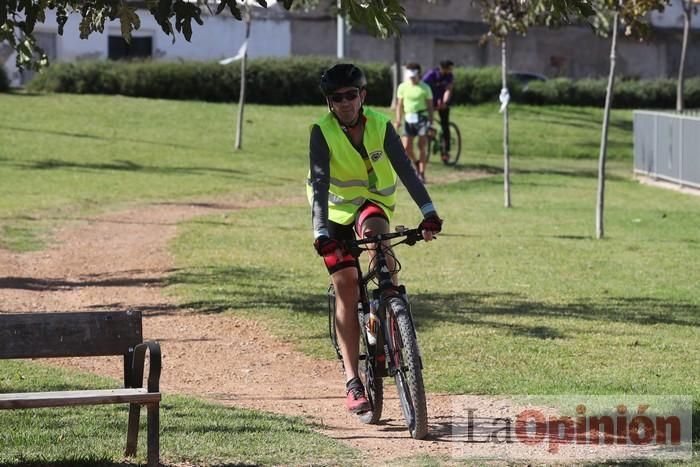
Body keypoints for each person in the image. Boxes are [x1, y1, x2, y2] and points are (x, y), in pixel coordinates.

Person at [307, 64, 443, 414]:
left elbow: (407, 171)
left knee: (380, 248)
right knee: (347, 286)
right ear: (330, 103)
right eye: (337, 98)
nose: (345, 103)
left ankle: (394, 318)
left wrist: (428, 211)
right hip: (335, 215)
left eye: (351, 95)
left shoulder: (382, 125)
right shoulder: (321, 132)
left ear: (362, 96)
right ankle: (353, 381)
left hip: (373, 205)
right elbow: (320, 184)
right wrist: (321, 233)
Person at [395, 62, 434, 183]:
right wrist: (398, 120)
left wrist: (431, 123)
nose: (411, 78)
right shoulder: (402, 87)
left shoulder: (425, 88)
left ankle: (422, 173)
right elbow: (399, 105)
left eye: (413, 75)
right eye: (410, 75)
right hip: (408, 119)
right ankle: (417, 164)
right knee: (406, 148)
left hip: (422, 118)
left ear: (418, 74)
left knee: (421, 146)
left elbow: (430, 107)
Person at [422, 60, 455, 162]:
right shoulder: (431, 74)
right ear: (443, 68)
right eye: (450, 68)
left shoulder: (449, 76)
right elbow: (423, 87)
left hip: (442, 104)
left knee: (445, 126)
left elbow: (448, 90)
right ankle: (428, 140)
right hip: (430, 101)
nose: (451, 70)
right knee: (425, 123)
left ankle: (445, 152)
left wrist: (444, 102)